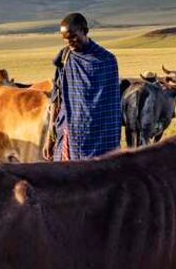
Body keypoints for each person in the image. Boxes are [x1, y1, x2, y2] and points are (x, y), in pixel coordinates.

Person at [48, 13, 121, 161]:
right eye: (65, 39)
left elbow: (111, 105)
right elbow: (57, 95)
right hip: (70, 131)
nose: (69, 42)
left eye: (73, 37)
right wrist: (50, 133)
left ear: (85, 31)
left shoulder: (107, 60)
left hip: (101, 134)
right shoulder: (65, 57)